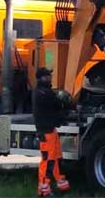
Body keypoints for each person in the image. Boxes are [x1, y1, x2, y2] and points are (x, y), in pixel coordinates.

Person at [33, 67, 70, 197]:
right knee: (48, 161)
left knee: (56, 159)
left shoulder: (45, 92)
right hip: (46, 132)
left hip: (52, 130)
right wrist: (63, 102)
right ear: (41, 78)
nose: (50, 77)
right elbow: (56, 103)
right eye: (47, 75)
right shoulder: (42, 93)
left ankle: (61, 184)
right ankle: (43, 190)